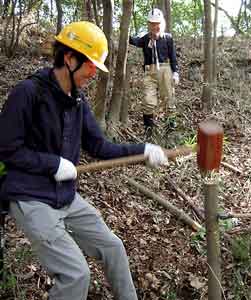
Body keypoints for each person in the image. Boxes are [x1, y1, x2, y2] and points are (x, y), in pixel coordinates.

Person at [0, 21, 169, 300]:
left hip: (65, 197)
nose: (93, 72)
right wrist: (52, 164)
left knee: (113, 248)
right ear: (69, 58)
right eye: (90, 64)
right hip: (30, 197)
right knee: (76, 275)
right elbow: (6, 149)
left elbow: (100, 147)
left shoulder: (77, 101)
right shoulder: (28, 93)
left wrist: (144, 150)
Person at [129, 8, 179, 139]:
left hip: (165, 70)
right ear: (148, 24)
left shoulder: (167, 38)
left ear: (161, 23)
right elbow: (134, 41)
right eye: (151, 23)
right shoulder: (145, 39)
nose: (154, 26)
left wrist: (175, 73)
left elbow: (173, 56)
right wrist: (125, 33)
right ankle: (149, 132)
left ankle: (170, 131)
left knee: (169, 99)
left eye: (157, 23)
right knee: (148, 101)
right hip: (149, 72)